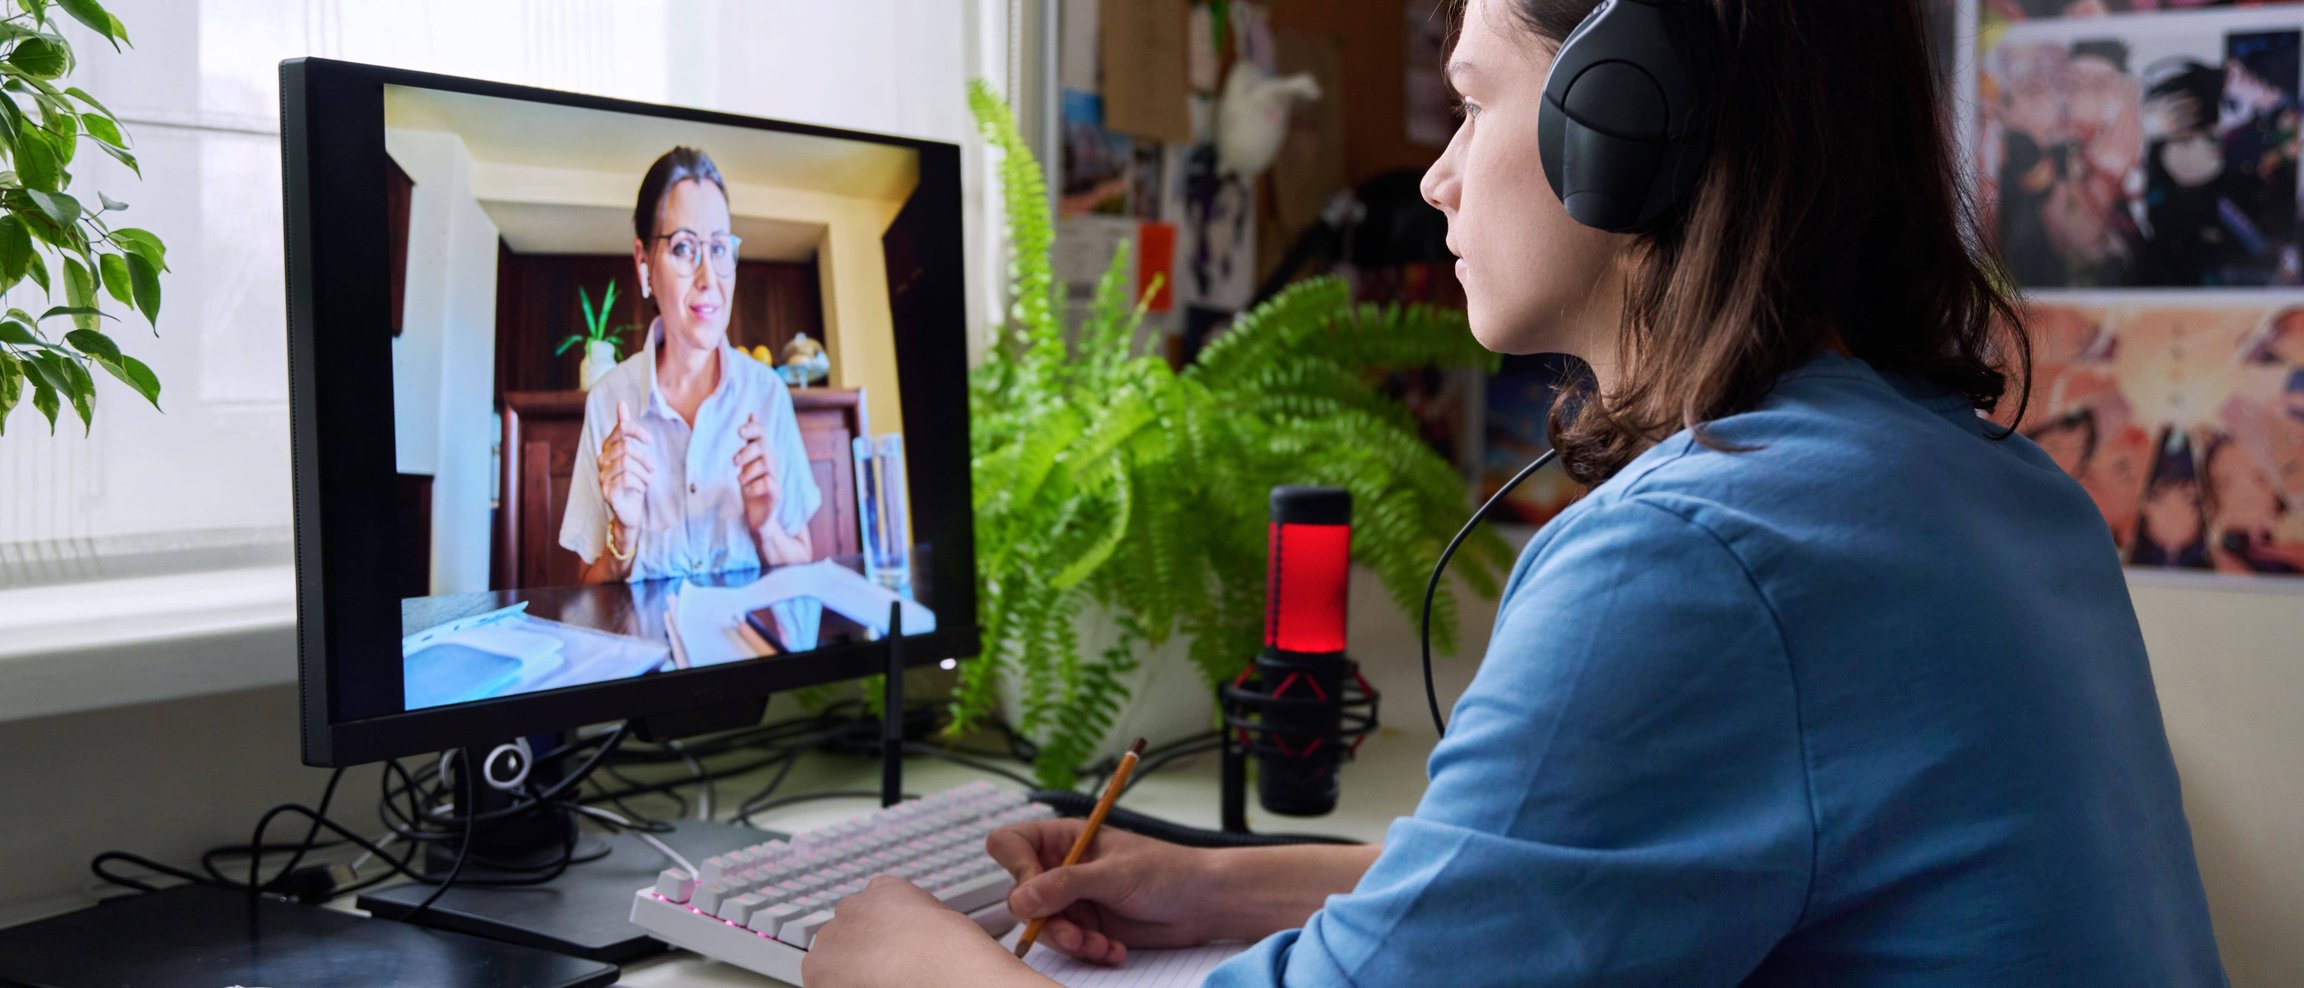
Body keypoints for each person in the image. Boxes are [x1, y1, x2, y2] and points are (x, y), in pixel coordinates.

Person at [804, 1, 2225, 984]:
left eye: (1473, 101)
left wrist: (898, 958)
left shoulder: (1698, 558)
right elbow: (1594, 883)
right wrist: (1225, 885)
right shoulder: (1986, 487)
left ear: (1629, 123)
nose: (1431, 175)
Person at [560, 147, 822, 584]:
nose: (709, 277)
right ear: (644, 263)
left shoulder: (767, 394)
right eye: (684, 247)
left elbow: (802, 566)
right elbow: (588, 586)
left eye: (719, 248)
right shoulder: (609, 402)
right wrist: (623, 533)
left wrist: (767, 527)